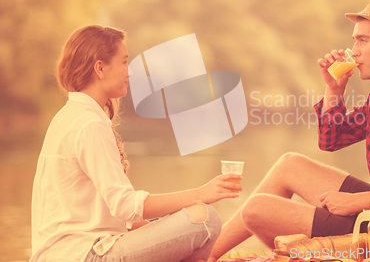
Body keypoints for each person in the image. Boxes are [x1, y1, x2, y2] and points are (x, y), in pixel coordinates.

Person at [207, 0, 370, 261]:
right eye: (354, 41)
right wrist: (333, 89)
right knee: (289, 164)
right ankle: (207, 255)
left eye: (363, 40)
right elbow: (331, 140)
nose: (355, 51)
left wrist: (356, 202)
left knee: (256, 209)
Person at [30, 25, 243, 262]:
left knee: (173, 221)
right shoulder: (89, 124)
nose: (129, 72)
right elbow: (124, 206)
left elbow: (116, 213)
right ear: (100, 67)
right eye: (124, 62)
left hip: (73, 251)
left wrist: (162, 226)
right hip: (84, 255)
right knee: (205, 219)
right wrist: (201, 193)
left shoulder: (69, 116)